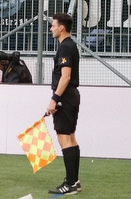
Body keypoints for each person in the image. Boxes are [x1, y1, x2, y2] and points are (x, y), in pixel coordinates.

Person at [47, 12, 81, 196]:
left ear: (61, 28)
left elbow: (65, 76)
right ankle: (74, 181)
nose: (51, 28)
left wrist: (55, 99)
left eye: (53, 25)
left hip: (66, 96)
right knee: (71, 138)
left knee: (64, 138)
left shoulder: (66, 48)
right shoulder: (68, 46)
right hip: (70, 96)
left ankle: (69, 183)